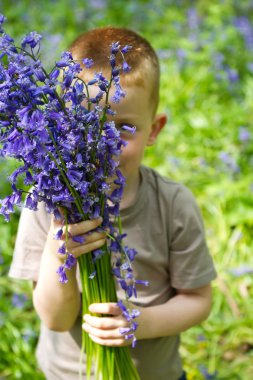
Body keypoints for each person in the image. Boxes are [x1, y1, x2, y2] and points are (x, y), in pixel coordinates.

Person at [9, 27, 217, 380]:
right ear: (59, 125)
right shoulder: (47, 203)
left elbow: (199, 300)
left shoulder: (172, 204)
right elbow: (54, 320)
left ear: (154, 129)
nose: (102, 144)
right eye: (86, 126)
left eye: (123, 127)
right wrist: (57, 254)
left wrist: (140, 323)